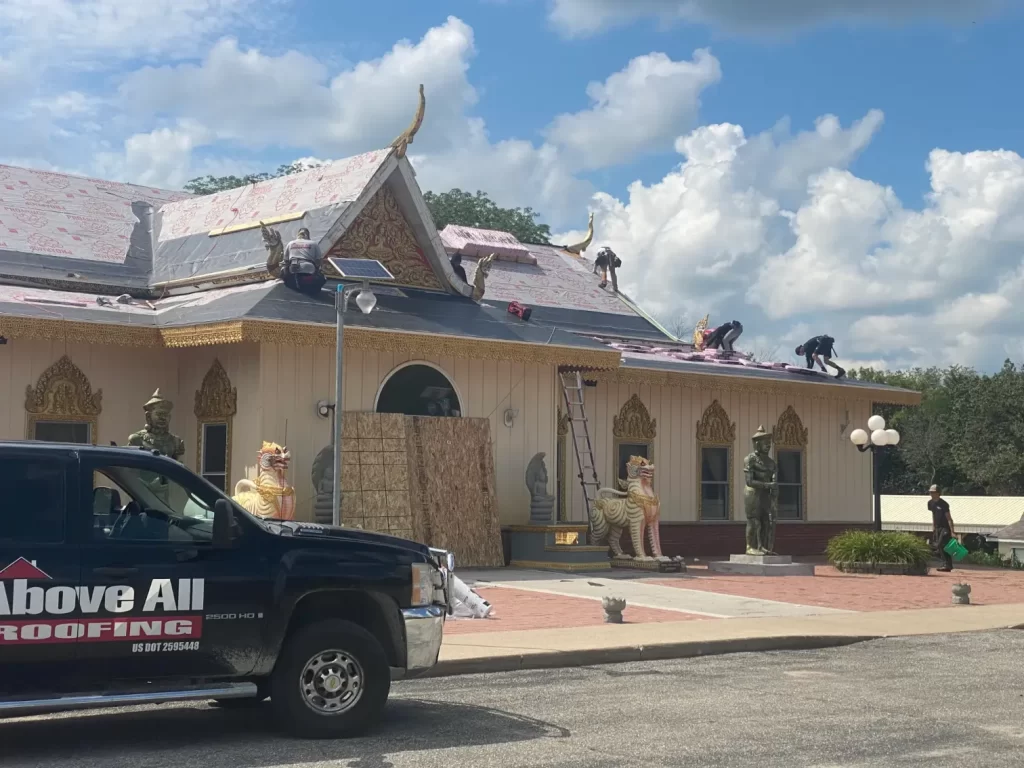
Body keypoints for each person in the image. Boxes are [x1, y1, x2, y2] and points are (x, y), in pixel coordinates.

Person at [282, 227, 326, 296]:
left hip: (293, 267)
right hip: (309, 267)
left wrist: (286, 274)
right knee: (321, 278)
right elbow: (319, 261)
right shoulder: (313, 243)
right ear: (308, 235)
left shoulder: (290, 243)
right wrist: (318, 271)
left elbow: (286, 261)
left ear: (298, 235)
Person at [928, 485, 956, 572]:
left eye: (933, 492)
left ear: (938, 493)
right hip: (938, 527)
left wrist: (952, 531)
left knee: (941, 545)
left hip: (945, 527)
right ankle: (948, 565)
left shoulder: (944, 504)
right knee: (938, 546)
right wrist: (933, 526)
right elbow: (933, 514)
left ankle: (947, 564)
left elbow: (949, 518)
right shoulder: (930, 503)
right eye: (930, 492)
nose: (931, 494)